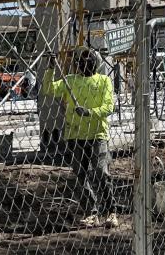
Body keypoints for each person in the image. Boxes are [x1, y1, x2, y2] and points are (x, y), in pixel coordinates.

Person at [42, 46, 117, 228]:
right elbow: (49, 89)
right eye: (81, 61)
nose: (84, 64)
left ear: (95, 63)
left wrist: (89, 112)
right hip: (75, 135)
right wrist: (50, 68)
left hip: (97, 134)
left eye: (88, 60)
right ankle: (91, 212)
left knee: (101, 172)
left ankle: (110, 211)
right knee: (80, 175)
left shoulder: (104, 81)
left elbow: (108, 107)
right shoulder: (70, 81)